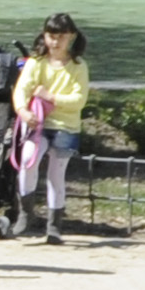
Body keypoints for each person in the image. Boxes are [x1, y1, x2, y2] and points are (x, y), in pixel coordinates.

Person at [13, 14, 90, 244]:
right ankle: (25, 214)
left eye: (61, 37)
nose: (55, 42)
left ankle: (54, 226)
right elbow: (21, 90)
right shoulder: (36, 63)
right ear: (44, 36)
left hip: (65, 126)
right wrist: (23, 111)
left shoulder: (79, 66)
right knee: (27, 160)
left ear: (71, 37)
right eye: (51, 36)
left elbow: (79, 99)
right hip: (38, 124)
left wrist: (51, 97)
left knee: (56, 175)